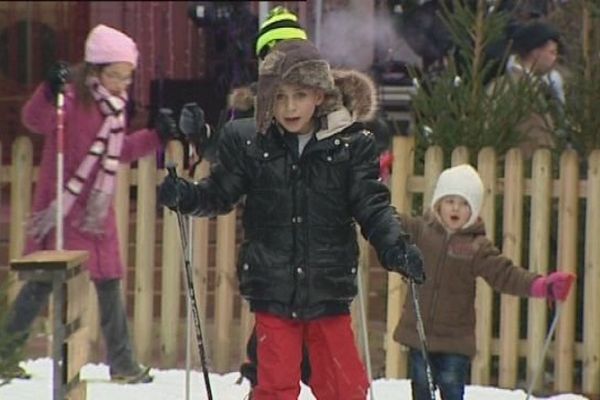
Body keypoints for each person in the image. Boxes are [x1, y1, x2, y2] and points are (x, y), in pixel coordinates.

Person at [158, 38, 425, 399]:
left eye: (299, 95)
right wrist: (185, 196)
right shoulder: (253, 143)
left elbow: (372, 205)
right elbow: (218, 193)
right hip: (273, 287)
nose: (289, 106)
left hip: (328, 287)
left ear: (319, 95)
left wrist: (395, 246)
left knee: (344, 387)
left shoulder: (350, 145)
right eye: (279, 97)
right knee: (275, 385)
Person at [0, 24, 177, 383]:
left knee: (109, 284)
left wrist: (156, 134)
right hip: (63, 210)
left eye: (127, 78)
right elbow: (34, 120)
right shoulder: (69, 98)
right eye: (115, 76)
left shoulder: (114, 110)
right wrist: (47, 91)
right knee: (40, 284)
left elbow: (121, 150)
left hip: (95, 215)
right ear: (95, 69)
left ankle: (123, 362)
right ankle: (4, 354)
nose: (122, 85)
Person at [392, 164, 575, 400]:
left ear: (474, 210)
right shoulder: (421, 231)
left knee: (451, 389)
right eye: (450, 201)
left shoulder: (477, 247)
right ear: (438, 203)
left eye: (464, 203)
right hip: (420, 337)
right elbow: (389, 221)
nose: (456, 208)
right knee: (421, 390)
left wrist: (541, 285)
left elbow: (506, 274)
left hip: (454, 343)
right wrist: (362, 204)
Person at [490, 20, 563, 160]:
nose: (555, 59)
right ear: (536, 52)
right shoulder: (515, 88)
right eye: (551, 52)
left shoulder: (530, 84)